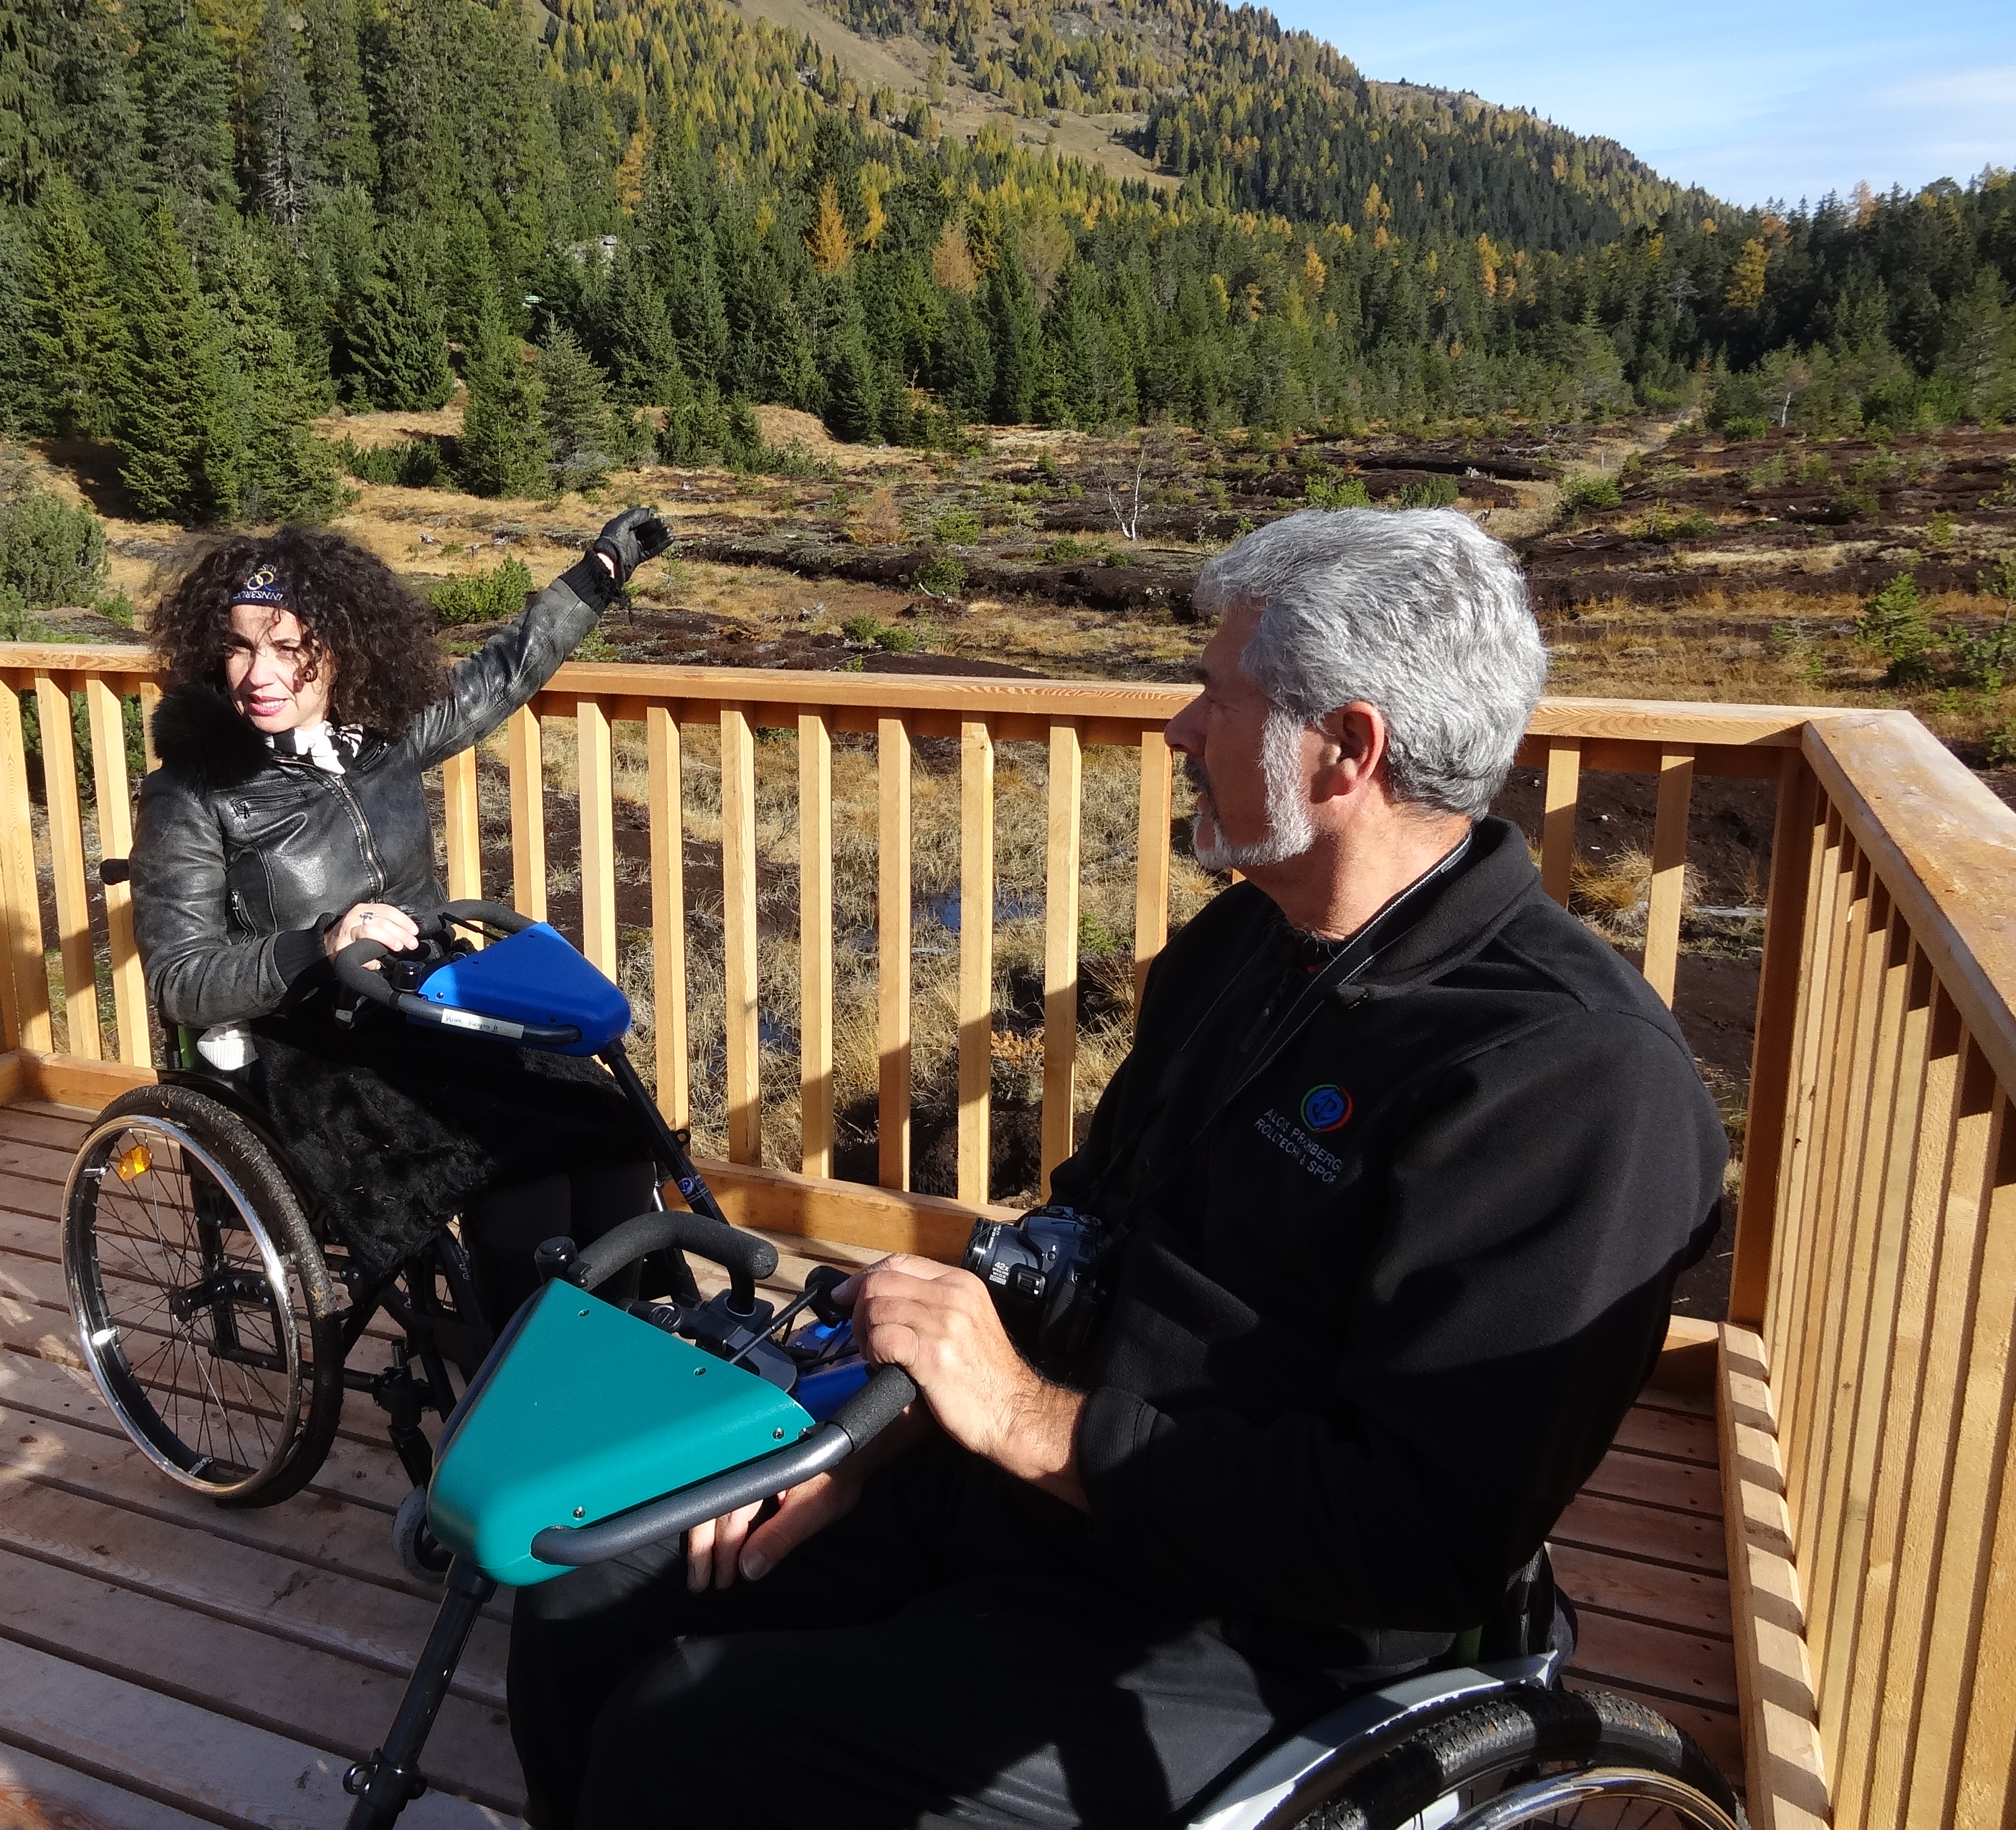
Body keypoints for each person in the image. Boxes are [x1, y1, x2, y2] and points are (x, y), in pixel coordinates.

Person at [507, 506, 1729, 1829]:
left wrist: (1026, 1419)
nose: (1177, 730)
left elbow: (1410, 1538)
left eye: (1215, 695)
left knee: (691, 1738)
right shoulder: (1244, 951)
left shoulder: (1569, 1079)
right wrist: (874, 1432)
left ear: (1345, 752)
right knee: (580, 1598)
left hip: (1259, 1623)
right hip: (1048, 1491)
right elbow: (1085, 1233)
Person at [130, 507, 672, 1330]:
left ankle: (611, 1349)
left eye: (288, 646)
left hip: (429, 999)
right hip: (308, 1044)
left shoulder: (379, 738)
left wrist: (597, 575)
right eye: (240, 646)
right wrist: (318, 944)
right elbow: (178, 979)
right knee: (513, 1171)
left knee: (611, 1133)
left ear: (341, 649)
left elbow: (502, 676)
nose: (259, 673)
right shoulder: (192, 795)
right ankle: (514, 1391)